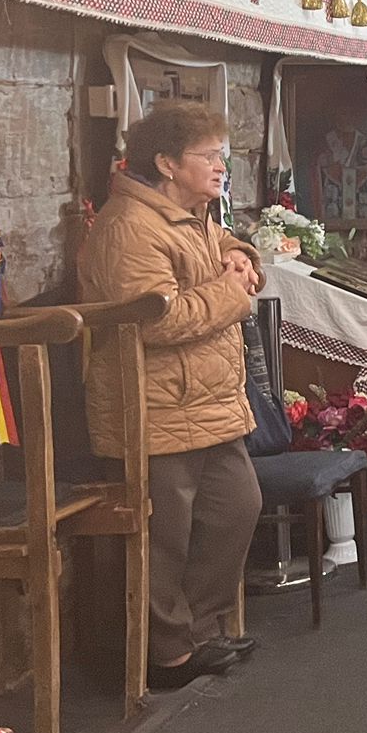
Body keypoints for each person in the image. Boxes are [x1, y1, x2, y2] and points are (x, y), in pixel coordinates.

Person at [81, 103, 264, 691]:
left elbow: (214, 248)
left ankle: (198, 629)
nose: (221, 166)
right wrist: (233, 292)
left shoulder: (190, 214)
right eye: (209, 156)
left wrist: (240, 254)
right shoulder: (129, 226)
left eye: (221, 155)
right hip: (155, 404)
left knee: (237, 508)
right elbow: (157, 319)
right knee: (165, 538)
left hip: (207, 403)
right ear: (165, 163)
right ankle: (167, 653)